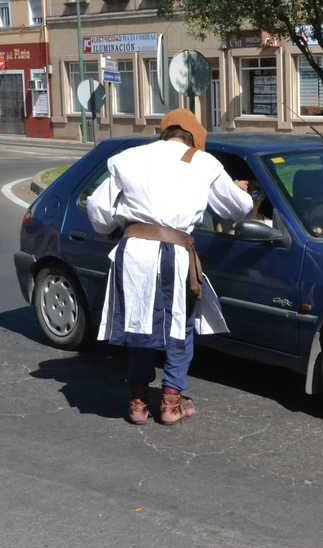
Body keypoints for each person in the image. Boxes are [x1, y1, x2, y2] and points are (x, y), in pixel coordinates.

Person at [86, 108, 254, 425]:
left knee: (139, 325)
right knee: (180, 324)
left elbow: (98, 207)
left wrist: (110, 230)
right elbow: (237, 209)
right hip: (174, 253)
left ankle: (138, 403)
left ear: (163, 134)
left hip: (133, 251)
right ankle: (170, 404)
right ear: (194, 137)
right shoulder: (203, 162)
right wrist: (241, 191)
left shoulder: (130, 157)